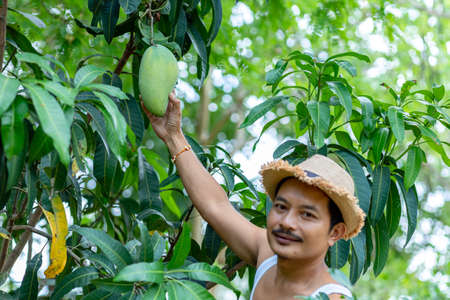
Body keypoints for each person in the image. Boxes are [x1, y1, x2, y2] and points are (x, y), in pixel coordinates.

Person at [142, 91, 366, 300]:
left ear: (335, 232)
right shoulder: (268, 254)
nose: (286, 222)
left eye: (307, 214)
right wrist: (173, 136)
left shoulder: (330, 297)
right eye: (281, 207)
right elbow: (216, 205)